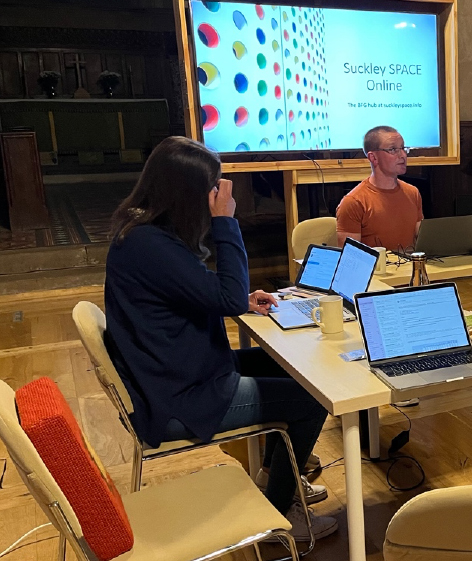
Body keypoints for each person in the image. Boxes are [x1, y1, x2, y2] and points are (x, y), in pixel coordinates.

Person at [103, 137, 337, 541]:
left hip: (176, 373)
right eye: (215, 188)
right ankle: (282, 514)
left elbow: (191, 288)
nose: (220, 196)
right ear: (190, 193)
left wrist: (238, 299)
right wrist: (226, 222)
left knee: (298, 372)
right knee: (313, 399)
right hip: (182, 396)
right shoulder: (149, 244)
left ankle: (274, 476)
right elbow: (225, 299)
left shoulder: (141, 234)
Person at [336, 125, 423, 250]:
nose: (403, 155)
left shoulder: (412, 193)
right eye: (393, 149)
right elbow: (349, 261)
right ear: (373, 157)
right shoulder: (353, 202)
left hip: (409, 267)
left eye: (403, 148)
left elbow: (421, 241)